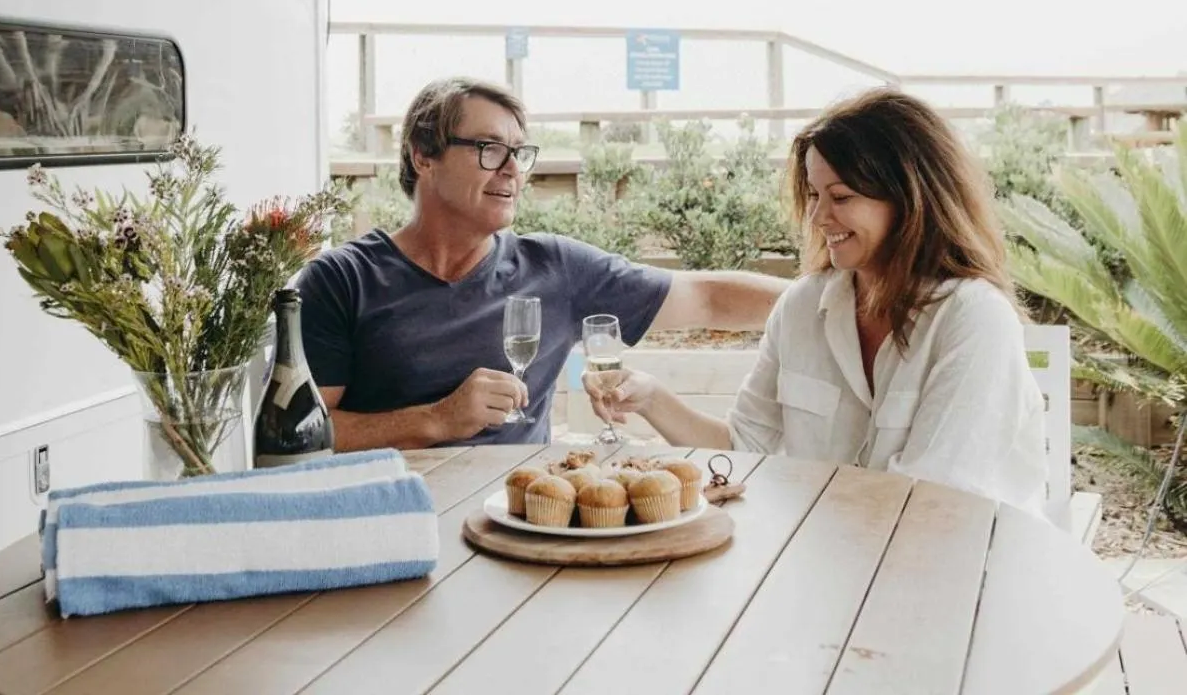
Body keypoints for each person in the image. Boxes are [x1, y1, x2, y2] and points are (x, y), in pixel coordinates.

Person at [585, 88, 1047, 510]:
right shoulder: (804, 305)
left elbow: (933, 500)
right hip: (838, 558)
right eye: (812, 194)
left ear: (911, 200)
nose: (819, 216)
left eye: (841, 197)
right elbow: (745, 446)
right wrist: (649, 398)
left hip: (958, 571)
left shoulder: (974, 319)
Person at [297, 77, 790, 450]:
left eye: (520, 153)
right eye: (490, 149)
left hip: (519, 527)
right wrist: (435, 419)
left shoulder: (556, 267)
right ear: (424, 156)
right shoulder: (340, 280)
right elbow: (301, 435)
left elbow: (704, 299)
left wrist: (834, 297)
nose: (513, 168)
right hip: (391, 526)